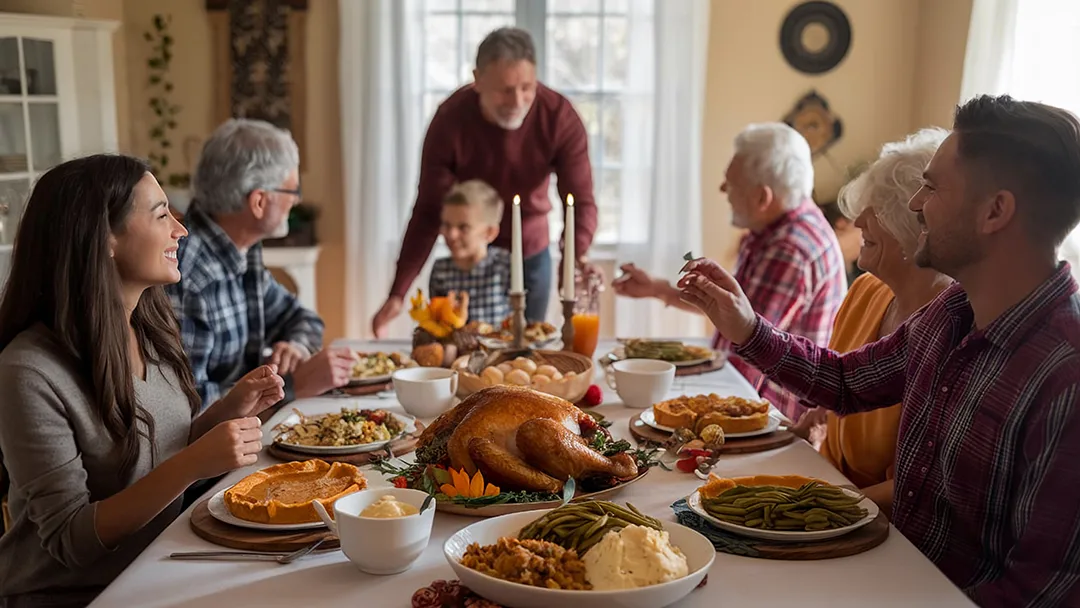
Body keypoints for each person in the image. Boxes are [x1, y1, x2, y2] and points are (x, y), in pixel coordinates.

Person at [679, 95, 1080, 606]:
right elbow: (845, 383)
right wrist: (746, 325)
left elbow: (1040, 593)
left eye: (932, 189)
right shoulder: (953, 311)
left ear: (995, 211)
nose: (915, 206)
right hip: (882, 571)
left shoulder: (1066, 375)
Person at [0, 155, 285, 606]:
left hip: (157, 567)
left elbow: (153, 454)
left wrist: (224, 413)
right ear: (105, 238)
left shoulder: (150, 327)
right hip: (73, 595)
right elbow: (71, 539)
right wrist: (194, 463)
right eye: (161, 214)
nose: (181, 229)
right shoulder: (30, 371)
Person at [372, 26, 599, 336]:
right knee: (465, 348)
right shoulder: (450, 120)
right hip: (470, 256)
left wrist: (575, 258)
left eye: (527, 87)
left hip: (530, 253)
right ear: (477, 80)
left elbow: (581, 201)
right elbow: (428, 209)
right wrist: (398, 292)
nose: (518, 100)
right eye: (505, 90)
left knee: (526, 352)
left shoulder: (558, 116)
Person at [613, 122, 847, 420]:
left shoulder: (790, 249)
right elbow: (736, 315)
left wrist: (697, 413)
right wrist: (657, 288)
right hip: (741, 387)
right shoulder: (771, 229)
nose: (723, 189)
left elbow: (750, 350)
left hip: (769, 412)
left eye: (732, 183)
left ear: (763, 198)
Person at [790, 128, 953, 517]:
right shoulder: (866, 290)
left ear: (916, 225)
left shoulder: (949, 322)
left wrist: (809, 503)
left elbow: (913, 489)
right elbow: (834, 399)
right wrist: (793, 437)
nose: (858, 219)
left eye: (876, 208)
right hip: (824, 489)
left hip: (872, 523)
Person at [167, 118, 354, 408]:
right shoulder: (186, 276)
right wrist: (294, 385)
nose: (296, 201)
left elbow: (305, 319)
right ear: (258, 202)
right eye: (292, 191)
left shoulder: (241, 251)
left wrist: (295, 346)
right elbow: (187, 407)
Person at [429, 180, 511, 324]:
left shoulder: (504, 264)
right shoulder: (440, 270)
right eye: (446, 225)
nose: (452, 234)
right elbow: (438, 324)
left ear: (489, 233)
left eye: (463, 228)